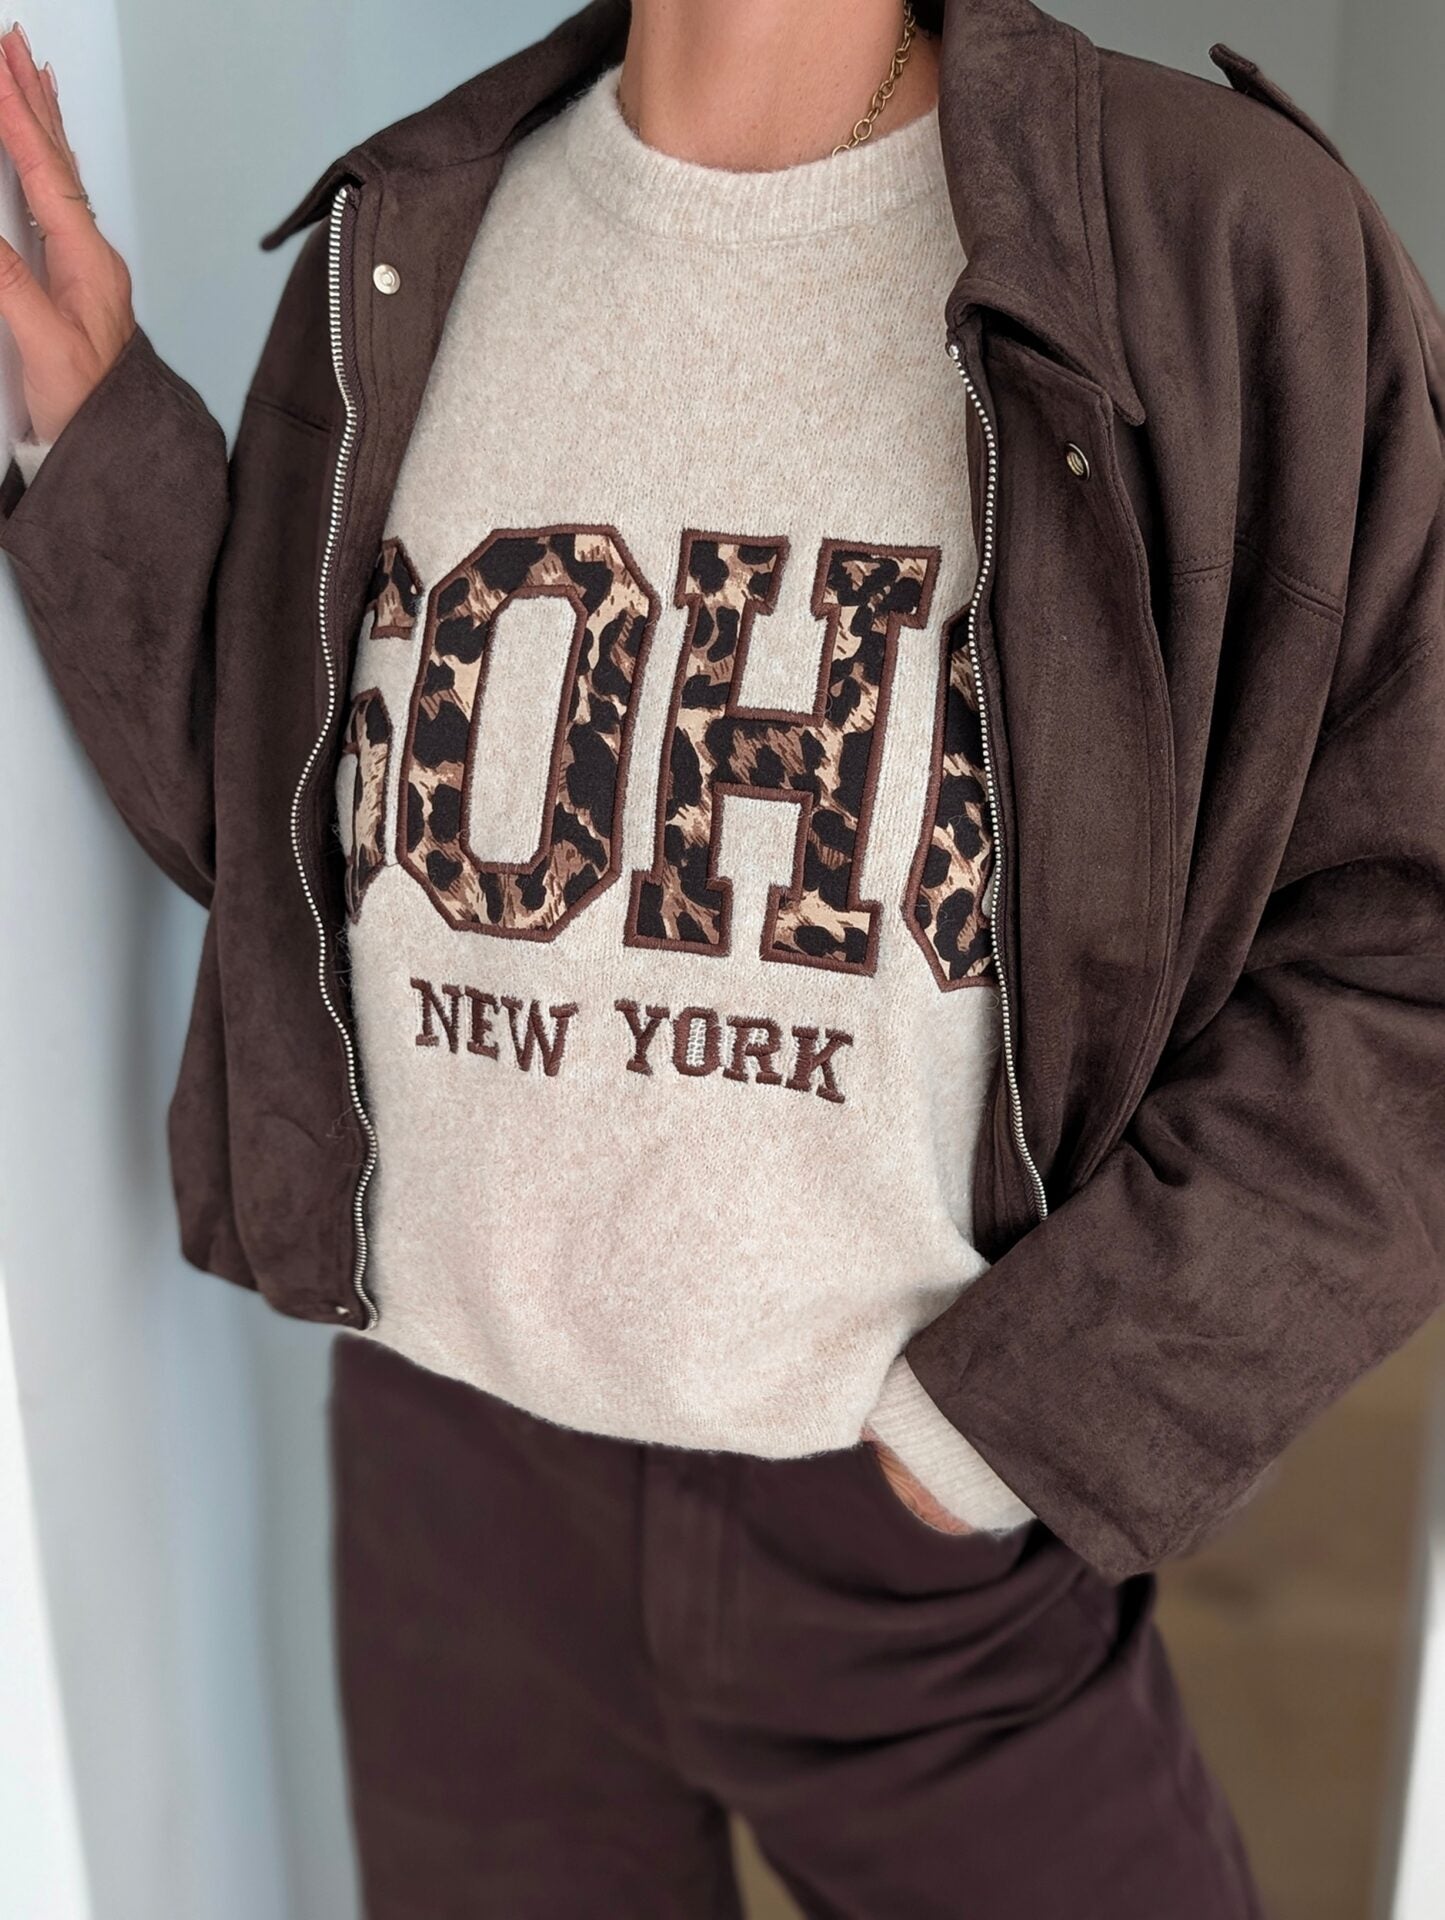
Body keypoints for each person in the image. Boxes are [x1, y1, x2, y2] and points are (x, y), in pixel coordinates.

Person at [1, 0, 1441, 1912]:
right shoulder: (414, 231)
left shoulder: (1210, 243)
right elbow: (321, 850)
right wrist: (95, 436)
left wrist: (1007, 1438)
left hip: (910, 1542)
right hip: (452, 1506)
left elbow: (1406, 954)